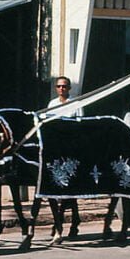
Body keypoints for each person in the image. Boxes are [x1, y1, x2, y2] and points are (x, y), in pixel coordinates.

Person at [46, 76, 82, 241]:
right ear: (56, 88)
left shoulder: (75, 104)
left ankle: (67, 220)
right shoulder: (52, 105)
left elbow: (79, 125)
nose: (62, 89)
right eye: (59, 86)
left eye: (65, 86)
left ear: (69, 89)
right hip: (55, 146)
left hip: (70, 147)